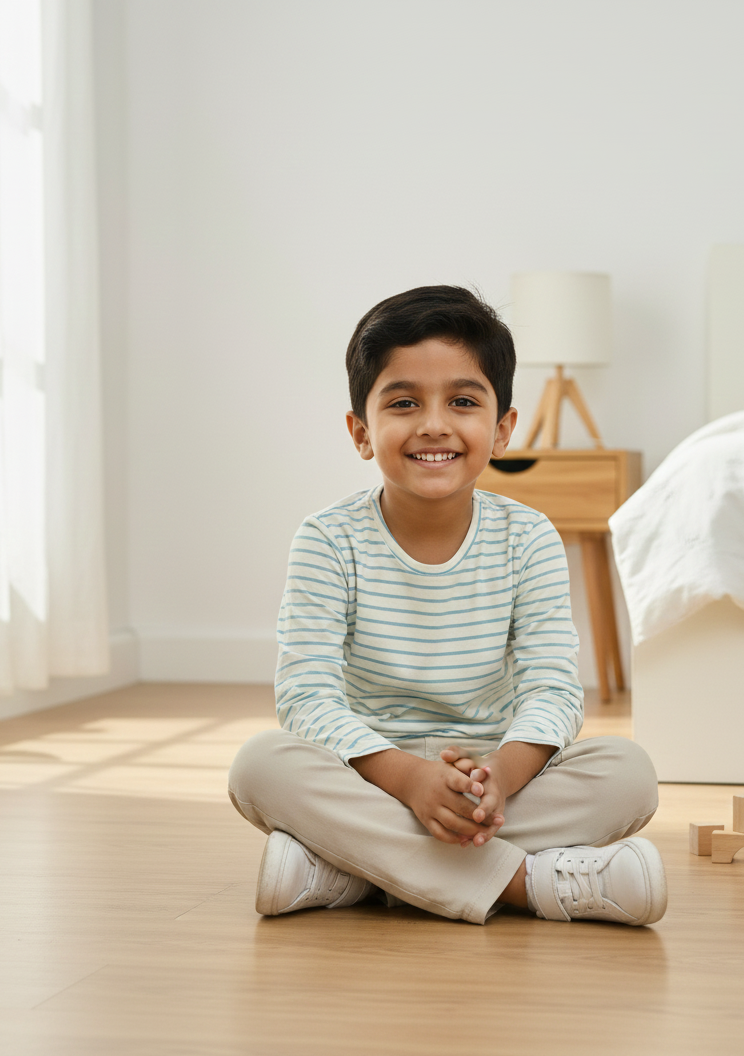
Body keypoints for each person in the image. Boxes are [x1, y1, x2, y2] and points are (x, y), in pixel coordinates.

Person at [228, 285, 667, 926]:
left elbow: (552, 689)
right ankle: (528, 884)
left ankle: (352, 869)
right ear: (360, 431)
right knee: (258, 767)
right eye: (404, 403)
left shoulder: (530, 537)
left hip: (493, 778)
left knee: (629, 773)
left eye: (463, 401)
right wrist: (409, 780)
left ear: (502, 428)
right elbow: (307, 697)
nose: (434, 424)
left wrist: (498, 777)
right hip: (372, 774)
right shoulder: (327, 538)